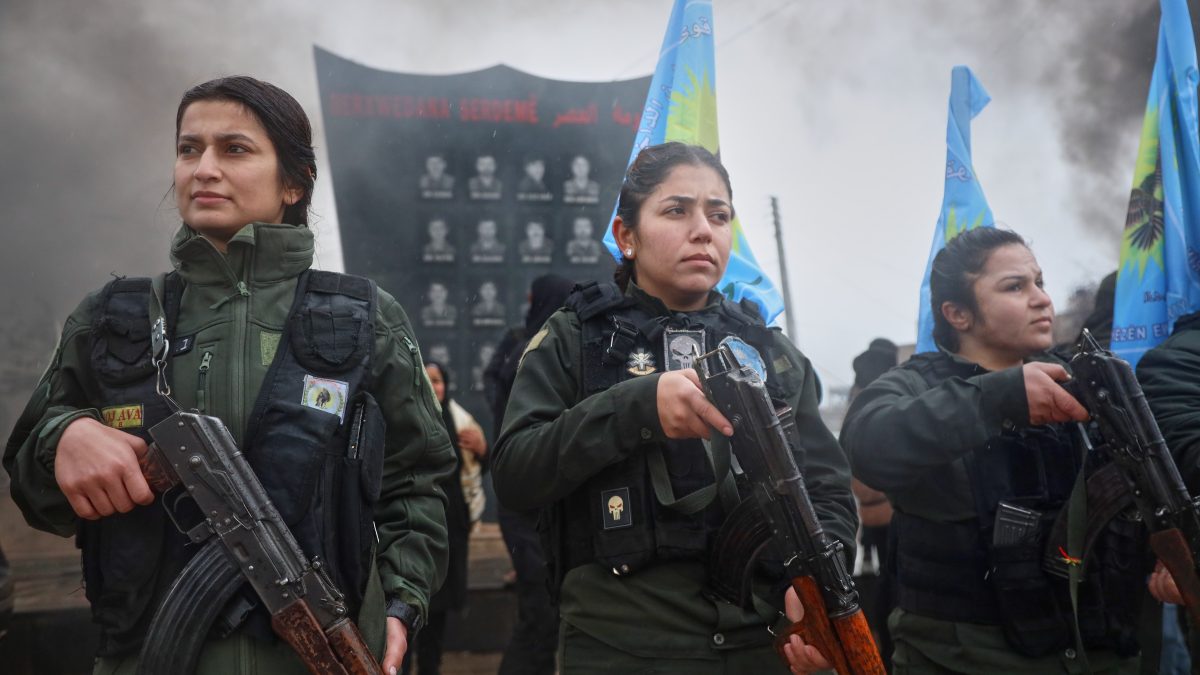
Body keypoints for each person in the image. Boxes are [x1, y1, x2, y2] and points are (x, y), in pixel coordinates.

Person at [2, 76, 455, 674]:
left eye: (234, 149)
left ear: (294, 182)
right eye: (189, 149)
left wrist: (401, 603)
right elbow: (36, 492)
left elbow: (416, 484)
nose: (204, 168)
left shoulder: (363, 320)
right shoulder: (113, 319)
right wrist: (63, 437)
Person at [491, 142, 856, 674]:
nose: (703, 230)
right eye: (676, 210)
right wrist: (635, 407)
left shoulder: (773, 353)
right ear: (626, 237)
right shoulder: (574, 338)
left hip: (764, 646)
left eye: (719, 214)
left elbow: (826, 488)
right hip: (622, 649)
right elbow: (516, 473)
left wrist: (818, 587)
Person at [841, 227, 1151, 674]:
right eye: (1015, 286)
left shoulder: (1085, 381)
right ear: (958, 314)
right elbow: (868, 445)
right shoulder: (914, 384)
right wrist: (999, 397)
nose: (1042, 299)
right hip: (968, 659)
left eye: (1040, 282)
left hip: (1098, 650)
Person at [484, 273, 575, 675]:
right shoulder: (538, 350)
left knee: (544, 613)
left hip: (538, 503)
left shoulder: (530, 346)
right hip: (528, 501)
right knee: (539, 615)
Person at [403, 362, 487, 675]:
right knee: (409, 602)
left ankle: (429, 667)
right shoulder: (406, 416)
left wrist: (483, 449)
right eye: (427, 380)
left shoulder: (460, 420)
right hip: (413, 526)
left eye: (438, 381)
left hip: (450, 528)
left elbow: (476, 468)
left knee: (438, 609)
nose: (433, 387)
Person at [848, 337, 899, 671]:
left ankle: (880, 653)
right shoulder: (890, 397)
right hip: (895, 518)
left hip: (873, 520)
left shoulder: (859, 401)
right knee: (890, 591)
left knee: (881, 591)